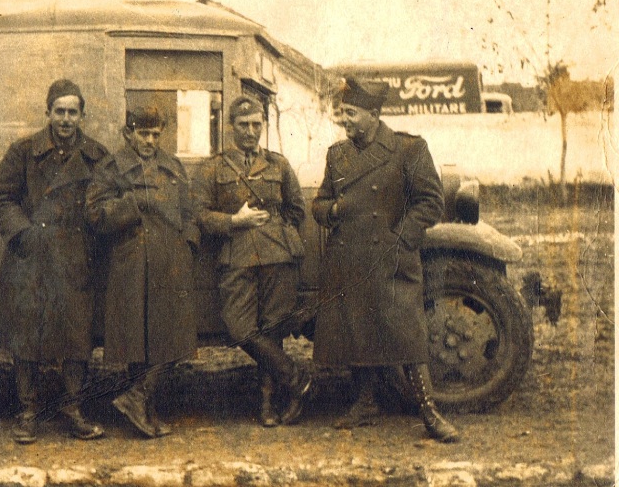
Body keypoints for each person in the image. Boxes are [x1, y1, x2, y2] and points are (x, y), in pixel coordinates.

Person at [311, 76, 460, 443]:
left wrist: (402, 239)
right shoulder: (337, 155)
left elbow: (431, 201)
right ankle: (365, 403)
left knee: (407, 337)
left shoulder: (408, 149)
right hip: (349, 257)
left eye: (351, 113)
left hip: (390, 257)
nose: (344, 119)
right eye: (343, 112)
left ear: (374, 115)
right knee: (356, 332)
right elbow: (319, 204)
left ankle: (429, 411)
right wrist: (334, 210)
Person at [0, 79, 108, 444]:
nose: (66, 119)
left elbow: (106, 203)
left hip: (75, 257)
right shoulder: (24, 152)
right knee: (27, 337)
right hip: (32, 257)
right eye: (60, 111)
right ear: (48, 113)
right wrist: (25, 234)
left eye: (73, 112)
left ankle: (74, 410)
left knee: (76, 337)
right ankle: (28, 413)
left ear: (82, 115)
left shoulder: (97, 156)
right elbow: (0, 199)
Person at [192, 96, 311, 427]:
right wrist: (234, 221)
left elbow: (296, 209)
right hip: (237, 255)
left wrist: (274, 231)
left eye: (256, 124)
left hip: (278, 256)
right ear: (231, 126)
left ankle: (268, 403)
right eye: (243, 124)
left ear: (263, 125)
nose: (250, 131)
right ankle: (296, 377)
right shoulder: (213, 168)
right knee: (239, 327)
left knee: (272, 330)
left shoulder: (278, 164)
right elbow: (199, 214)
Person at [86, 106, 199, 438]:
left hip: (170, 260)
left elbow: (189, 211)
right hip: (133, 260)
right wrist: (132, 205)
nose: (150, 141)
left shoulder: (172, 165)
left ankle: (137, 400)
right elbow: (94, 214)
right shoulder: (111, 168)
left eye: (155, 134)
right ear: (128, 133)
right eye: (143, 133)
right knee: (139, 340)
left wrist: (188, 244)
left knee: (172, 335)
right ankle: (143, 409)